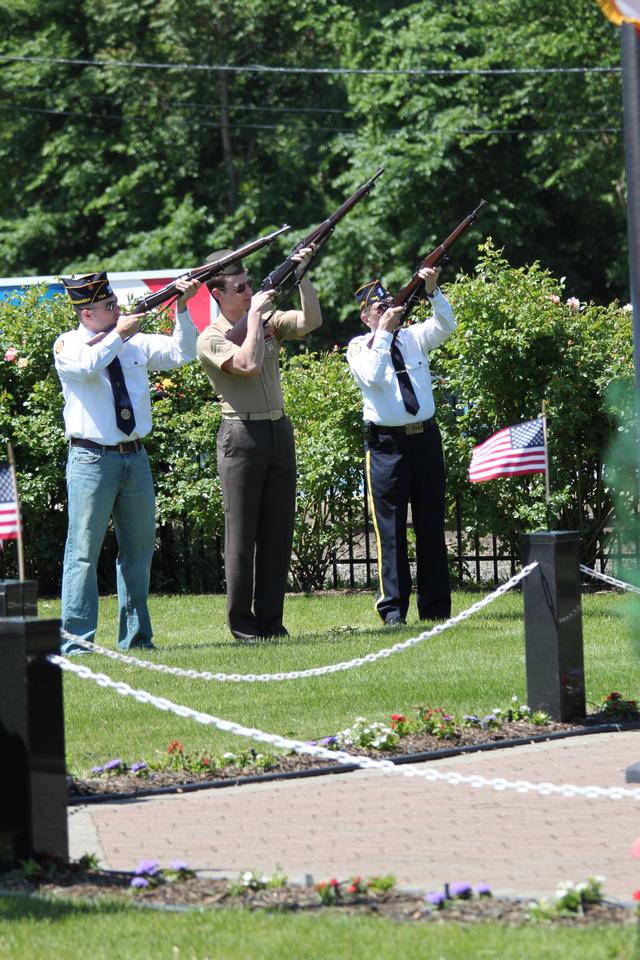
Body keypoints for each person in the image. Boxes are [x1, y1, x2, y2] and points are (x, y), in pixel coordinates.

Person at [55, 270, 200, 655]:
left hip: (134, 457)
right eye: (108, 306)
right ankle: (76, 641)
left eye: (115, 302)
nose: (118, 308)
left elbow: (183, 353)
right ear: (87, 314)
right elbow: (87, 365)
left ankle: (137, 639)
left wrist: (182, 308)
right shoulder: (68, 344)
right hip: (91, 458)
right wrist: (119, 334)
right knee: (82, 553)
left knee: (138, 551)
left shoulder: (132, 341)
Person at [197, 246, 321, 640]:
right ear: (217, 293)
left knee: (277, 532)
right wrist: (253, 319)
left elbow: (310, 321)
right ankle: (243, 624)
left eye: (250, 284)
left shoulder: (265, 318)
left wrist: (302, 276)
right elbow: (248, 365)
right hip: (241, 435)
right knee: (241, 535)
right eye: (239, 287)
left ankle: (271, 622)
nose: (249, 291)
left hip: (277, 430)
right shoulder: (211, 338)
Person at [346, 266, 455, 626]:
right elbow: (372, 376)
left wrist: (432, 291)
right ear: (366, 317)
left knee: (431, 526)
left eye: (391, 304)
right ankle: (393, 610)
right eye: (379, 308)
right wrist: (384, 333)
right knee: (390, 531)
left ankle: (436, 608)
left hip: (424, 437)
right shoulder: (360, 347)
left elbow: (446, 326)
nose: (389, 310)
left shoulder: (412, 337)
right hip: (387, 445)